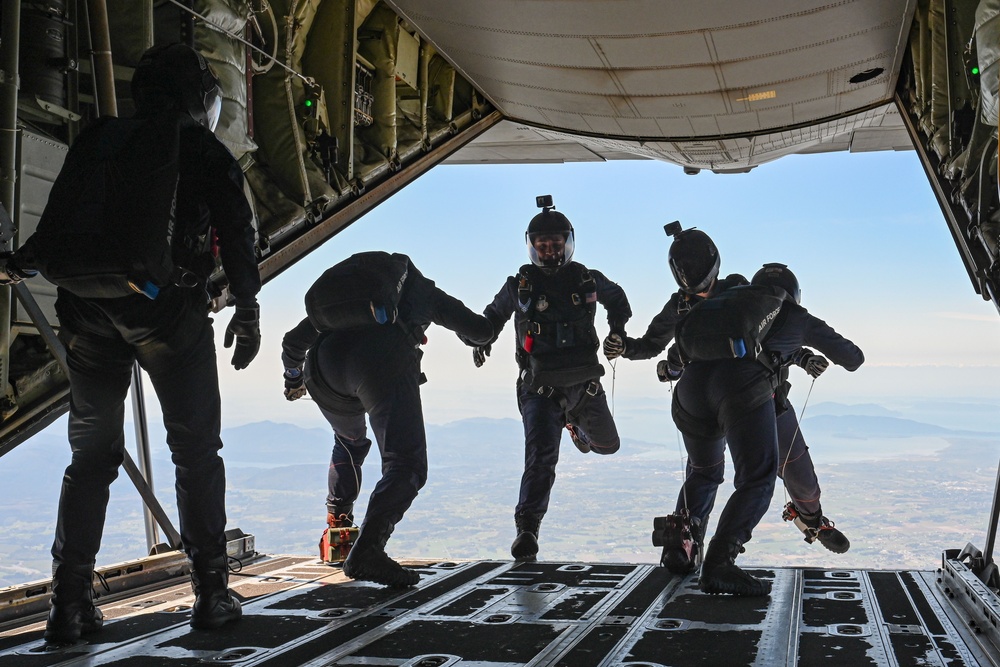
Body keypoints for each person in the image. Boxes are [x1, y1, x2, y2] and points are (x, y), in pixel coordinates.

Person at [0, 43, 261, 644]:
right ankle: (212, 593)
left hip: (85, 311)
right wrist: (247, 311)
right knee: (195, 451)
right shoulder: (200, 147)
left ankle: (68, 604)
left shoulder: (100, 139)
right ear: (199, 97)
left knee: (90, 457)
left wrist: (20, 264)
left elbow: (56, 223)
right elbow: (238, 235)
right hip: (167, 314)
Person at [281, 251, 494, 587]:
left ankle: (339, 522)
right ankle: (367, 551)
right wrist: (477, 340)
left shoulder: (348, 303)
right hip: (379, 363)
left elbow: (293, 342)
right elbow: (480, 329)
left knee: (349, 441)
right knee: (405, 466)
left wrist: (293, 379)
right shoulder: (422, 291)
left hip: (322, 369)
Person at [611, 223, 778, 596]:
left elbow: (650, 344)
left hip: (691, 395)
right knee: (757, 478)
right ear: (715, 259)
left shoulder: (680, 304)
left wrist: (623, 347)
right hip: (739, 390)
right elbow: (775, 330)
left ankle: (680, 547)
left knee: (703, 472)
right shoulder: (740, 289)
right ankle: (720, 562)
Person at [467, 195, 631, 562]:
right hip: (538, 390)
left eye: (556, 245)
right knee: (541, 458)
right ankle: (527, 529)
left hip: (585, 386)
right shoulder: (521, 284)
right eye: (543, 246)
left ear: (568, 244)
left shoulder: (586, 278)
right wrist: (482, 341)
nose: (550, 252)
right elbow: (492, 316)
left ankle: (573, 425)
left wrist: (617, 330)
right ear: (531, 246)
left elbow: (618, 299)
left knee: (608, 446)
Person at [749, 262, 864, 554]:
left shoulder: (734, 311)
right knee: (796, 471)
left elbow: (772, 348)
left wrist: (803, 359)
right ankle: (812, 520)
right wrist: (809, 344)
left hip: (704, 400)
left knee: (704, 472)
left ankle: (685, 528)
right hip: (762, 405)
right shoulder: (795, 316)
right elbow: (853, 358)